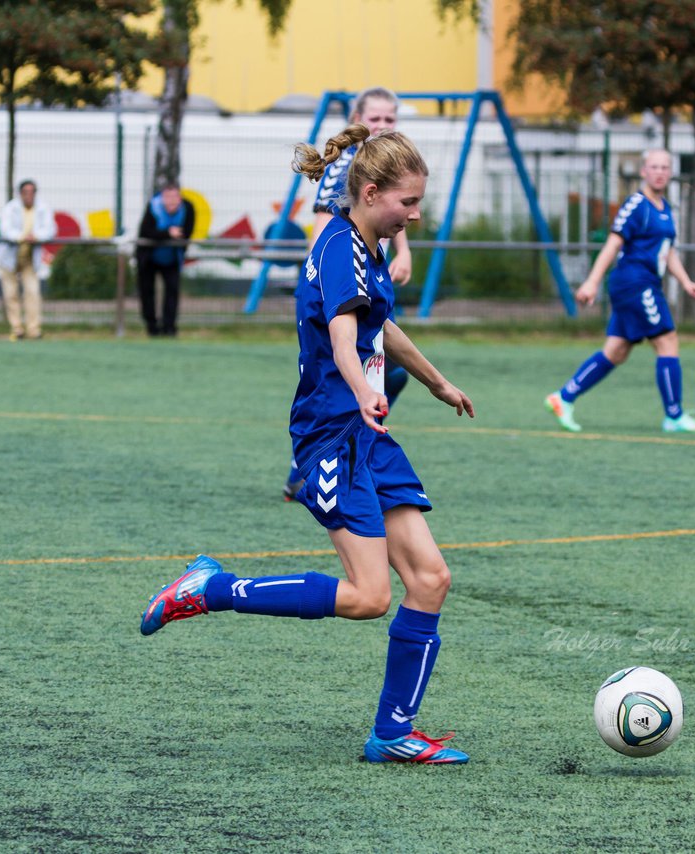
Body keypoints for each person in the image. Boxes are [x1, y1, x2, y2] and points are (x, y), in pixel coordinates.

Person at [140, 125, 478, 763]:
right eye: (407, 201)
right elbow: (347, 339)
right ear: (371, 192)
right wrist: (361, 391)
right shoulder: (337, 247)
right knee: (369, 597)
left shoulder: (367, 245)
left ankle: (393, 734)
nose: (415, 212)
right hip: (333, 437)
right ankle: (210, 589)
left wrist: (436, 381)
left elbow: (381, 326)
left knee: (430, 578)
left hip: (367, 435)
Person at [284, 87, 411, 500]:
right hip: (347, 289)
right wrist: (324, 280)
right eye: (375, 119)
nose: (383, 126)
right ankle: (313, 461)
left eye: (390, 120)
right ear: (359, 119)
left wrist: (403, 253)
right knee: (347, 368)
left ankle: (355, 436)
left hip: (372, 285)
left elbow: (399, 216)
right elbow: (325, 232)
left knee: (387, 370)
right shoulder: (348, 171)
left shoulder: (393, 169)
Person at [544, 149, 695, 434]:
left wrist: (685, 281)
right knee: (667, 341)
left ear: (670, 172)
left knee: (616, 351)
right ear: (644, 171)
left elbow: (667, 251)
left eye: (664, 167)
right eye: (654, 167)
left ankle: (563, 397)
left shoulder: (664, 208)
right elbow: (613, 243)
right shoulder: (637, 204)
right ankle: (674, 416)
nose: (659, 171)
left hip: (643, 283)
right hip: (635, 283)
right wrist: (592, 281)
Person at [0, 179, 56, 340]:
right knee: (11, 294)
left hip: (30, 258)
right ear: (20, 193)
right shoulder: (10, 208)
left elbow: (50, 229)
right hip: (9, 258)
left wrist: (36, 237)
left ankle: (33, 330)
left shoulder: (43, 208)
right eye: (25, 192)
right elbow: (5, 229)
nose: (29, 195)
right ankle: (17, 329)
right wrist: (21, 237)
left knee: (32, 292)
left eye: (32, 192)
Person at [136, 184, 196, 337]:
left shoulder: (188, 209)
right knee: (147, 292)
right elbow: (145, 232)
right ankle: (152, 327)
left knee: (172, 291)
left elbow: (186, 234)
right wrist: (168, 233)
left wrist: (170, 235)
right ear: (162, 198)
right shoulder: (153, 208)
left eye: (174, 198)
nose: (170, 202)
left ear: (180, 198)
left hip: (172, 258)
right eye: (167, 198)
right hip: (149, 258)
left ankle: (169, 327)